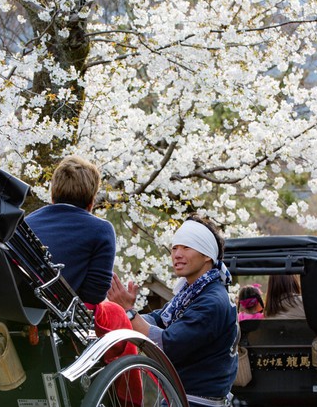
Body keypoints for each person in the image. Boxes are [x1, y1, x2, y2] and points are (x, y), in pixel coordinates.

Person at [108, 214, 239, 407]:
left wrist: (128, 312)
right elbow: (158, 319)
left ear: (206, 255)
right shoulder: (192, 293)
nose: (177, 254)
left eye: (186, 247)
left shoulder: (212, 301)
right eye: (174, 248)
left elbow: (168, 345)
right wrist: (124, 314)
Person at [25, 155, 116, 305]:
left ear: (52, 195)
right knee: (115, 312)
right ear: (91, 202)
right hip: (60, 314)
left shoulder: (27, 222)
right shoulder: (102, 230)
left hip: (20, 306)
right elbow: (94, 296)